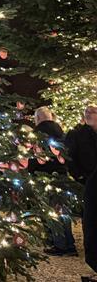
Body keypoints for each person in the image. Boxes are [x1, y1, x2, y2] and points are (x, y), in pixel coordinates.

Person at [26, 107, 74, 256]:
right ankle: (70, 245)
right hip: (62, 176)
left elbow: (34, 160)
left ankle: (58, 245)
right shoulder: (63, 133)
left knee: (50, 212)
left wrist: (31, 171)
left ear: (38, 119)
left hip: (44, 178)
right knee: (63, 211)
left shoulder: (36, 135)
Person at [66, 105, 97, 274]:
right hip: (88, 183)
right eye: (86, 112)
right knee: (91, 221)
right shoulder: (77, 134)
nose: (89, 114)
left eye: (93, 112)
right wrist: (79, 177)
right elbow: (70, 157)